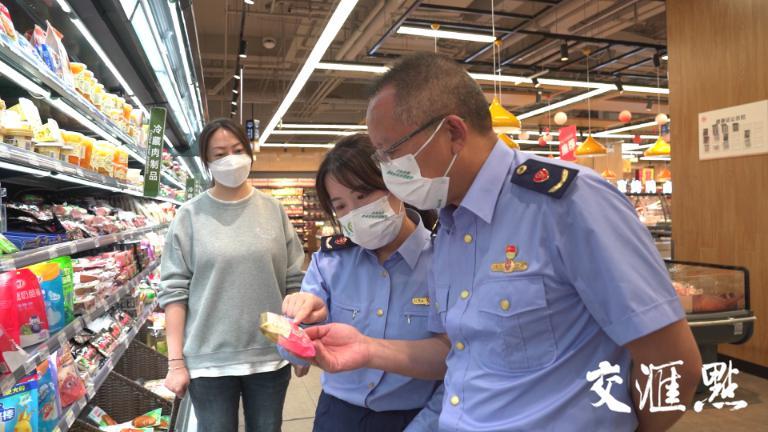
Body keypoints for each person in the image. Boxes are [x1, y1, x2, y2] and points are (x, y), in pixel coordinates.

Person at [301, 53, 703, 432]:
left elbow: (672, 364)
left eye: (391, 153)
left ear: (453, 133)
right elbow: (458, 353)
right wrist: (368, 348)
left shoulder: (568, 205)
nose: (388, 171)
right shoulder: (451, 227)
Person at [280, 134, 443, 432]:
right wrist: (295, 323)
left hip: (416, 417)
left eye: (363, 195)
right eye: (340, 206)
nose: (354, 212)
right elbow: (293, 356)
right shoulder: (329, 262)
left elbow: (460, 360)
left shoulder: (443, 260)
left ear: (396, 185)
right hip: (337, 415)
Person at [158, 118, 305, 432]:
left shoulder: (274, 210)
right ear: (206, 162)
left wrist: (297, 343)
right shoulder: (189, 216)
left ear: (250, 151)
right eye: (220, 154)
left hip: (270, 356)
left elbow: (294, 282)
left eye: (238, 150)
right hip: (208, 361)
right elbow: (174, 293)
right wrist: (175, 363)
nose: (231, 159)